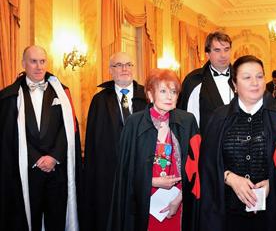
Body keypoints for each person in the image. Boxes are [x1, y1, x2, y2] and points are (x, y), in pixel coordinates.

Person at [199, 55, 276, 231]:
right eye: (247, 77)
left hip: (273, 214)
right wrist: (229, 178)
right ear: (235, 85)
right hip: (229, 215)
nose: (255, 82)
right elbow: (206, 164)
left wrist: (272, 183)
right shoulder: (219, 117)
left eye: (259, 76)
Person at [107, 68, 201, 231]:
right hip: (143, 203)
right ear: (150, 95)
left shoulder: (188, 121)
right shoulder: (133, 124)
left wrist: (180, 198)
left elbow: (197, 169)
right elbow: (125, 172)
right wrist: (151, 181)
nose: (170, 96)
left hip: (179, 202)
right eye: (163, 91)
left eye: (173, 91)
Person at [0, 45, 82, 230]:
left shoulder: (62, 92)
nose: (39, 66)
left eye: (42, 61)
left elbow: (68, 129)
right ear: (23, 64)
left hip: (57, 171)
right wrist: (36, 158)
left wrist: (54, 157)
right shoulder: (9, 97)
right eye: (34, 61)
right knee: (29, 222)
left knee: (56, 221)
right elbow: (9, 136)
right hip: (26, 173)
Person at [82, 52, 147, 231]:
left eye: (128, 64)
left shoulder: (148, 96)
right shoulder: (99, 100)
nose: (124, 69)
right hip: (109, 173)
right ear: (111, 70)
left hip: (143, 170)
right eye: (119, 65)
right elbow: (92, 142)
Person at [178, 31, 234, 132]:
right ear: (208, 54)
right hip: (207, 143)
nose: (223, 55)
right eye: (217, 50)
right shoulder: (193, 80)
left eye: (226, 49)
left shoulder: (243, 77)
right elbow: (186, 119)